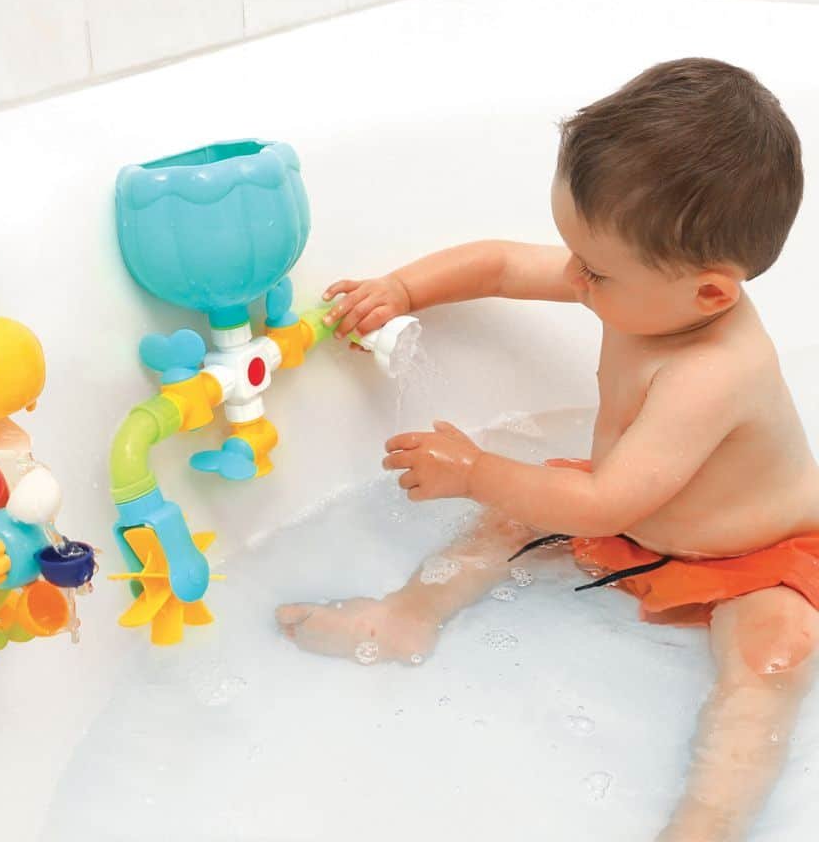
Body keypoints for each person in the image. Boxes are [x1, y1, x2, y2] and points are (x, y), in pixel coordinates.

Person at [277, 58, 819, 842]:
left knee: (772, 660)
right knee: (509, 516)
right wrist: (400, 290)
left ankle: (707, 822)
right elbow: (501, 264)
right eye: (575, 255)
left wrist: (476, 471)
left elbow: (602, 503)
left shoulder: (712, 371)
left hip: (757, 555)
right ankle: (405, 616)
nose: (571, 277)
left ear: (710, 292)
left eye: (590, 270)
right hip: (627, 510)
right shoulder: (642, 282)